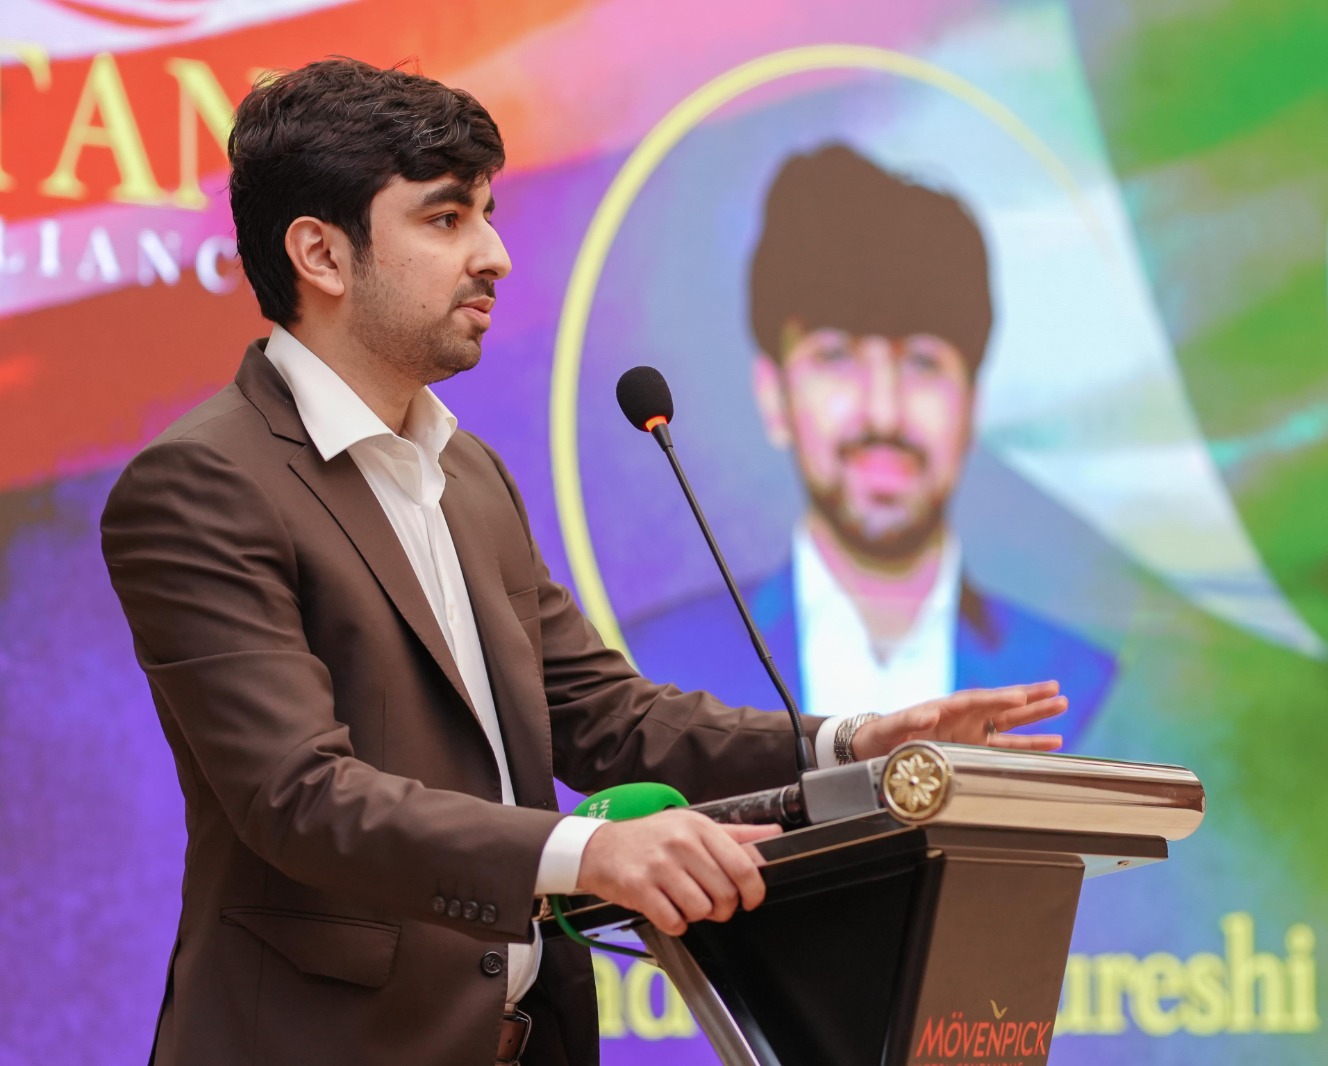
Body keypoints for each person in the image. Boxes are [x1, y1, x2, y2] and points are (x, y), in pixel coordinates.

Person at [99, 62, 1068, 1066]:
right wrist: (590, 852)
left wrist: (853, 742)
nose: (495, 255)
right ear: (322, 254)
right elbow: (298, 797)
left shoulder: (467, 473)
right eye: (446, 219)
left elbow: (606, 718)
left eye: (486, 215)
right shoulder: (205, 484)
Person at [627, 144, 1117, 739]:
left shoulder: (1086, 687)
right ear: (773, 395)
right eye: (836, 356)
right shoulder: (653, 675)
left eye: (923, 361)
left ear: (973, 402)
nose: (883, 411)